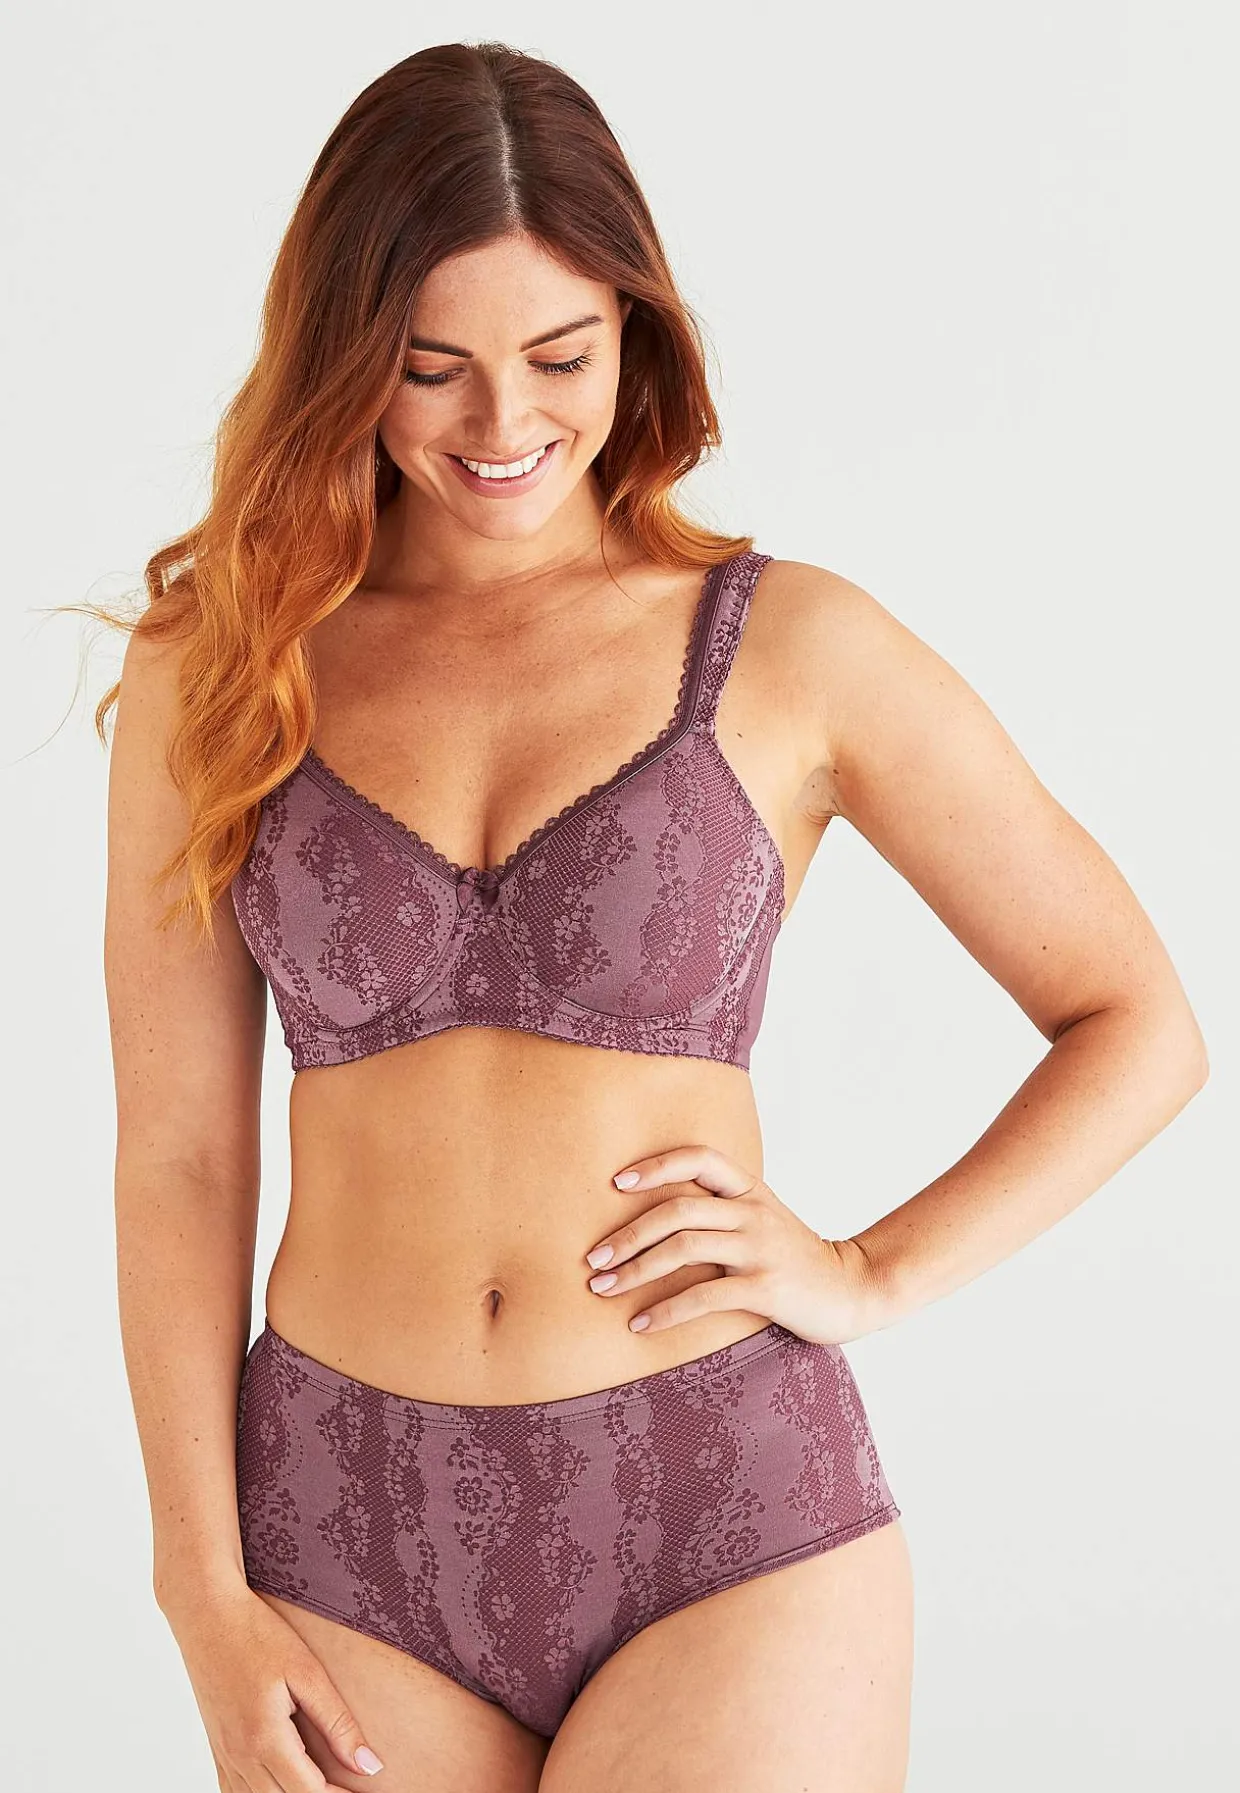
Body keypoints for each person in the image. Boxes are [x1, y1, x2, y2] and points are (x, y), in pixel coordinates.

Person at [98, 40, 1208, 1793]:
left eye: (561, 356)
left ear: (637, 331)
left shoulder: (792, 647)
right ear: (342, 357)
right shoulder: (223, 669)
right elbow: (176, 1156)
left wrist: (869, 1272)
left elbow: (1137, 1022)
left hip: (726, 1521)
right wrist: (196, 1587)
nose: (503, 425)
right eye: (431, 368)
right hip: (336, 1524)